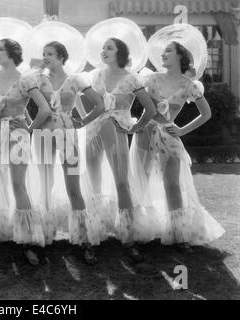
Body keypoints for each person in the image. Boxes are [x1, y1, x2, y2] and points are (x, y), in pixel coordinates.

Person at [130, 24, 225, 249]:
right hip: (145, 132)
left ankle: (179, 234)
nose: (162, 54)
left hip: (169, 136)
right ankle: (138, 230)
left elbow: (206, 113)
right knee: (141, 182)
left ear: (180, 56)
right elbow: (142, 108)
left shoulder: (190, 86)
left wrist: (181, 130)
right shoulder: (150, 79)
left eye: (168, 51)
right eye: (163, 52)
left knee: (172, 185)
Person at [0, 38, 52, 266]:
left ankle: (27, 240)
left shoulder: (25, 79)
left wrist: (28, 128)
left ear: (11, 53)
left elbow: (45, 108)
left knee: (18, 184)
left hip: (18, 134)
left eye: (0, 49)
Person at [31, 41, 106, 264]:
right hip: (43, 135)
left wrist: (82, 122)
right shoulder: (37, 80)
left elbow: (100, 105)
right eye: (43, 53)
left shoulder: (75, 79)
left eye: (50, 54)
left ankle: (84, 239)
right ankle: (43, 237)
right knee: (45, 185)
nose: (45, 57)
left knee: (73, 186)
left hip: (67, 135)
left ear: (62, 57)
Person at [84, 37, 158, 262]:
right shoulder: (95, 75)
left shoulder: (130, 78)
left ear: (120, 52)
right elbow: (91, 106)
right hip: (93, 133)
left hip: (116, 133)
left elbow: (150, 109)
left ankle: (128, 238)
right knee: (93, 184)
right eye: (103, 47)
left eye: (109, 48)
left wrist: (135, 127)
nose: (103, 51)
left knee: (121, 183)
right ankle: (92, 237)